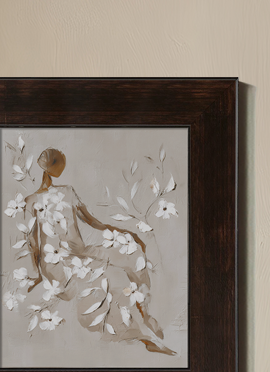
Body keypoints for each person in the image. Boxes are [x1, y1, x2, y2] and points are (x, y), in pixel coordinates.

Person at [13, 147, 176, 356]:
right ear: (51, 166)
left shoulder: (68, 191)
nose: (63, 167)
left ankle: (144, 312)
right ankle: (141, 336)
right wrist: (36, 274)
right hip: (57, 262)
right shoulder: (31, 202)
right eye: (60, 163)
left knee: (131, 252)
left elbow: (92, 221)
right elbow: (32, 243)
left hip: (81, 251)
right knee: (108, 278)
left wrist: (126, 233)